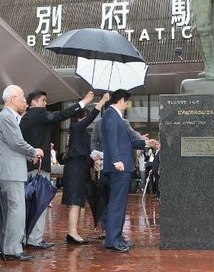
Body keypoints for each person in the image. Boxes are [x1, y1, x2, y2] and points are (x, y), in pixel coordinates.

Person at [20, 89, 94, 249]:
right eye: (43, 101)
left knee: (28, 204)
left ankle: (26, 237)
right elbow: (61, 115)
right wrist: (83, 102)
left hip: (27, 165)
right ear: (34, 102)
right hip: (39, 166)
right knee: (40, 203)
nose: (46, 104)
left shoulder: (25, 118)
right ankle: (35, 239)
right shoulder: (39, 114)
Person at [101, 89, 157, 253]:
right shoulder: (111, 115)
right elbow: (111, 140)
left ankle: (117, 237)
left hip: (122, 165)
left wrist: (146, 144)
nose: (128, 105)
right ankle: (112, 241)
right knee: (117, 204)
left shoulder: (116, 116)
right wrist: (117, 160)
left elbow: (126, 142)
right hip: (119, 167)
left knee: (119, 204)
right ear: (121, 100)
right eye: (127, 101)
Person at [0, 85, 43, 261]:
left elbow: (10, 146)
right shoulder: (6, 117)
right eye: (22, 96)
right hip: (11, 172)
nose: (24, 100)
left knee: (10, 211)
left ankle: (7, 247)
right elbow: (16, 143)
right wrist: (34, 151)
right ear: (12, 99)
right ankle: (12, 249)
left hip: (10, 170)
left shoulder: (8, 117)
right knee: (16, 210)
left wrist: (28, 157)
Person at [62, 93, 110, 245]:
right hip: (75, 170)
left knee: (79, 202)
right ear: (80, 117)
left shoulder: (81, 132)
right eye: (86, 117)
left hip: (81, 169)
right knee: (75, 202)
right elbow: (90, 119)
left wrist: (92, 159)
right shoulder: (76, 127)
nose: (88, 121)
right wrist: (101, 102)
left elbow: (83, 152)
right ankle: (72, 233)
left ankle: (74, 232)